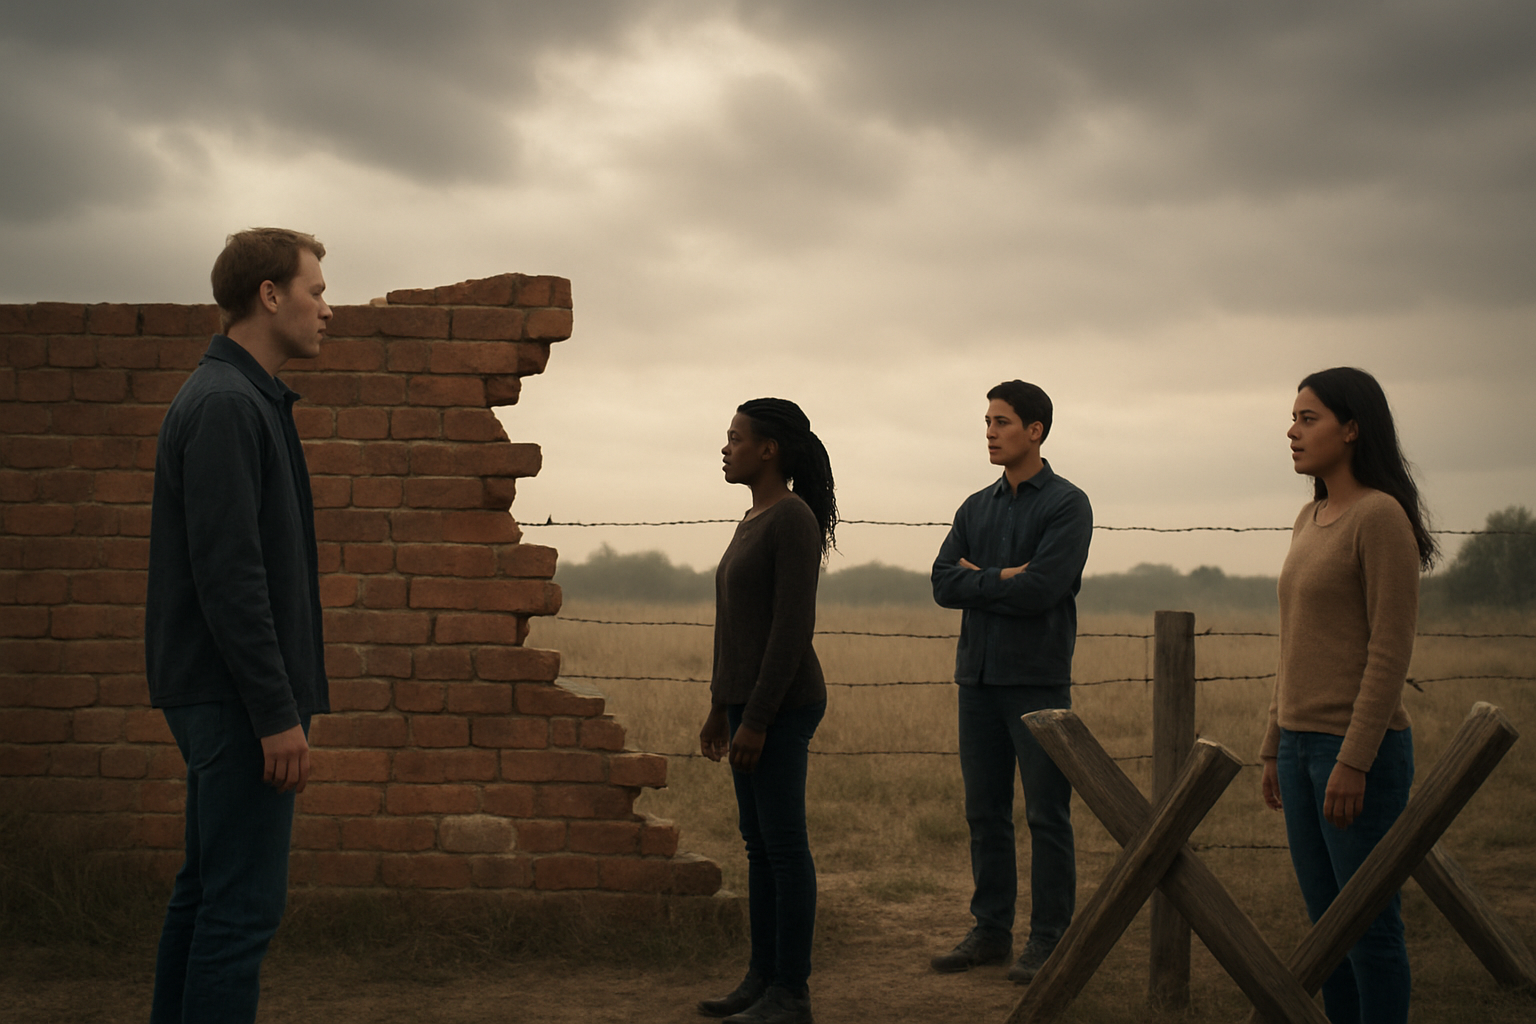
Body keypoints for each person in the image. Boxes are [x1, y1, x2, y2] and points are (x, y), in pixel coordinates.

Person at [145, 228, 333, 1023]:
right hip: (234, 701)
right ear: (269, 295)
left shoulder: (245, 397)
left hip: (224, 697)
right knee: (241, 912)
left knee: (207, 896)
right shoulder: (227, 404)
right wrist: (275, 714)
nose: (329, 309)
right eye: (316, 290)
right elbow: (232, 581)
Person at [1261, 367, 1436, 1024]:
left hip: (1355, 752)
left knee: (1369, 929)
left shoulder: (1379, 516)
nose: (1292, 430)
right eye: (1294, 417)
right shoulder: (1311, 515)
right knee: (1327, 930)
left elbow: (1390, 650)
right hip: (1299, 749)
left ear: (1353, 427)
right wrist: (1274, 738)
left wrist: (1355, 760)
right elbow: (1297, 639)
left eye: (1309, 418)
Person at [929, 380, 1092, 984]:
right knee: (985, 812)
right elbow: (943, 583)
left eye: (1002, 422)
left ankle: (1050, 939)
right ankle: (991, 932)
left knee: (1047, 815)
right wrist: (1005, 577)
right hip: (977, 680)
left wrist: (983, 579)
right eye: (988, 421)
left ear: (1036, 431)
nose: (990, 432)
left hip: (1037, 682)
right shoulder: (976, 506)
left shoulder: (1068, 505)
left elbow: (1043, 590)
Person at [696, 398, 837, 1024]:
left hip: (782, 704)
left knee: (783, 847)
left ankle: (792, 994)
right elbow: (739, 628)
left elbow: (789, 630)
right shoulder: (754, 516)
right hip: (745, 705)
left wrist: (755, 718)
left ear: (769, 449)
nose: (725, 449)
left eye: (735, 438)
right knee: (758, 848)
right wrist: (719, 709)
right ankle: (761, 978)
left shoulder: (791, 520)